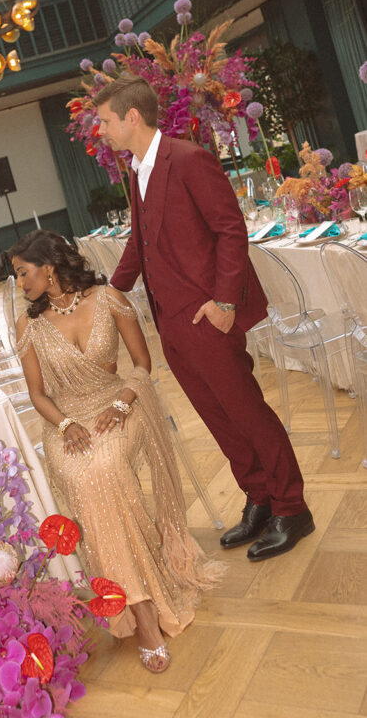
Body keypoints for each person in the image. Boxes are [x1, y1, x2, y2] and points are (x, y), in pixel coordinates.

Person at [95, 73, 314, 561]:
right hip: (170, 321)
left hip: (208, 315)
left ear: (133, 116)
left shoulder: (190, 159)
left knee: (246, 411)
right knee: (217, 417)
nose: (102, 131)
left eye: (106, 121)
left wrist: (225, 303)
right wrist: (109, 294)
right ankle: (259, 497)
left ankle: (292, 506)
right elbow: (141, 239)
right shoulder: (137, 170)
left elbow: (230, 231)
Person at [11, 229, 223, 673]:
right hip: (65, 422)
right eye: (16, 277)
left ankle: (138, 608)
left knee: (104, 470)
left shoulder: (109, 299)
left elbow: (143, 364)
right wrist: (66, 425)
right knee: (88, 478)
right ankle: (142, 607)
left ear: (48, 267)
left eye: (23, 273)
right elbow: (37, 395)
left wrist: (123, 402)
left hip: (120, 405)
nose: (19, 285)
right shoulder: (30, 325)